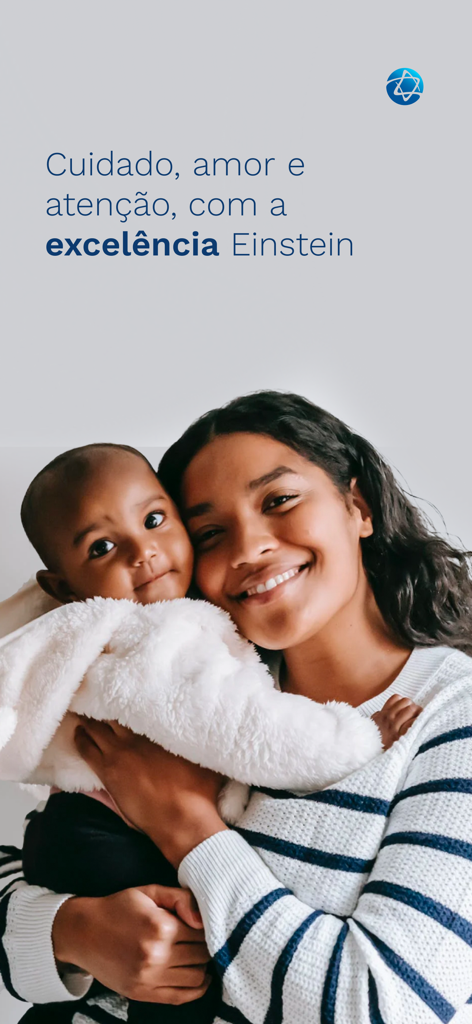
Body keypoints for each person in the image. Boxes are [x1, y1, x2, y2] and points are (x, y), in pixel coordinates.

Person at [1, 391, 472, 1021]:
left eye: (279, 501)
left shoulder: (450, 715)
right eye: (210, 533)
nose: (248, 548)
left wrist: (185, 826)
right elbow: (36, 852)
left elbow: (385, 1006)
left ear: (357, 507)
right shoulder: (177, 681)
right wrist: (70, 933)